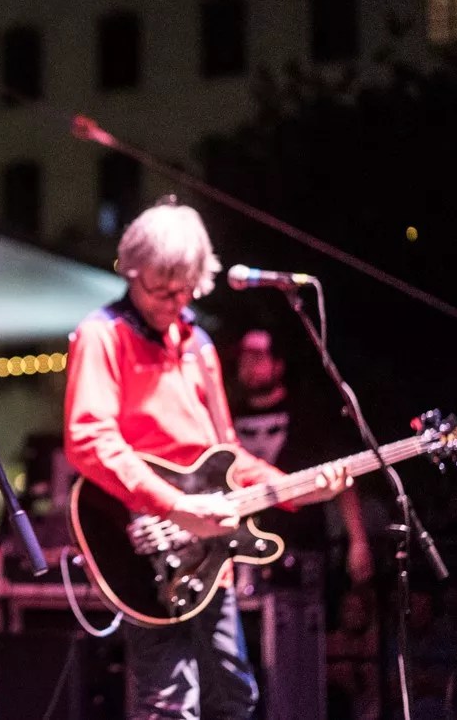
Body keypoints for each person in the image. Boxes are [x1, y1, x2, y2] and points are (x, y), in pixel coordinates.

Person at [63, 199, 352, 720]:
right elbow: (90, 439)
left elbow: (226, 454)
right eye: (158, 288)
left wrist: (297, 489)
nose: (172, 301)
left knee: (235, 697)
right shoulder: (102, 335)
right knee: (171, 704)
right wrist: (173, 506)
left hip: (208, 554)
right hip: (143, 539)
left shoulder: (198, 345)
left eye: (184, 290)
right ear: (131, 272)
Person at [230, 328, 374, 590]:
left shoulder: (307, 413)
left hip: (301, 548)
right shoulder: (227, 415)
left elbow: (343, 474)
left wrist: (358, 541)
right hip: (238, 553)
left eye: (258, 358)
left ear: (278, 365)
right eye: (244, 359)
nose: (249, 366)